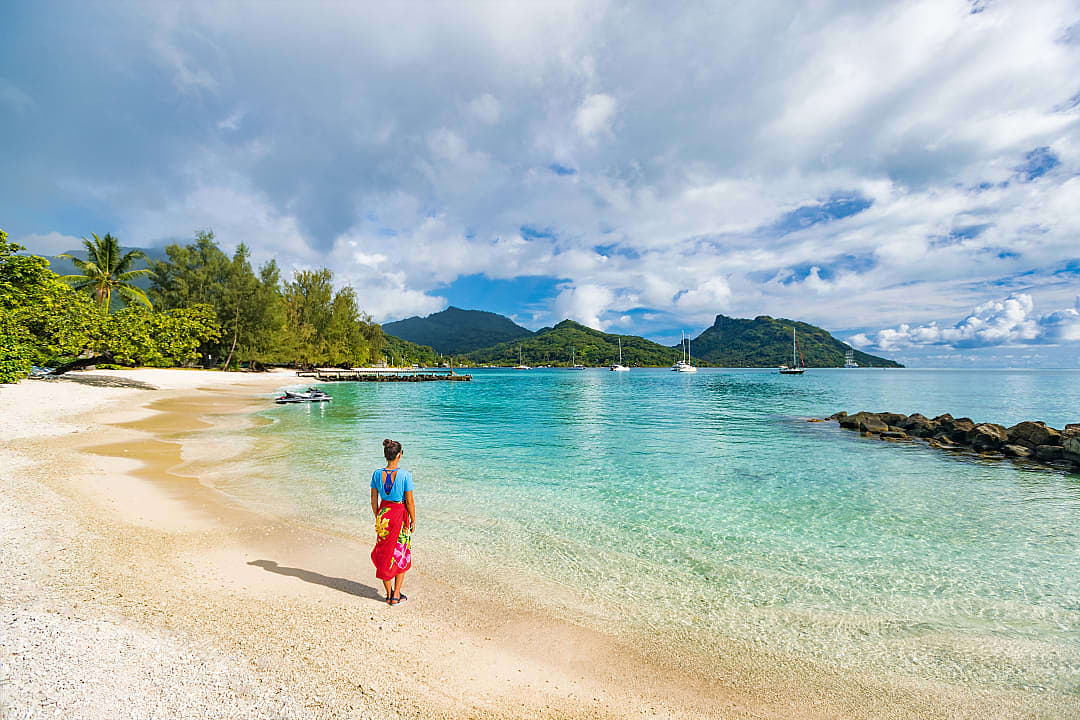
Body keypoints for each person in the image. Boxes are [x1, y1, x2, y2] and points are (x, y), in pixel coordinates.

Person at [370, 438, 414, 605]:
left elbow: (374, 500)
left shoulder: (376, 474)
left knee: (384, 554)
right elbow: (409, 501)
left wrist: (378, 516)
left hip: (384, 515)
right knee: (400, 553)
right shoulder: (405, 475)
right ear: (399, 455)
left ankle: (388, 594)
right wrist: (413, 519)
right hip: (399, 516)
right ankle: (396, 595)